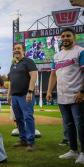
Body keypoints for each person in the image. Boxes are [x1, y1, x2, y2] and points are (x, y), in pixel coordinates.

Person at [46, 27, 84, 164]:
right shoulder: (57, 56)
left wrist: (82, 91)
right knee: (69, 124)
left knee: (80, 124)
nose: (65, 38)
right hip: (62, 95)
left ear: (74, 37)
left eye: (68, 36)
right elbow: (53, 74)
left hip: (77, 95)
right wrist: (49, 91)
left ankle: (83, 153)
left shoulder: (80, 52)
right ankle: (73, 151)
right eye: (62, 36)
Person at [7, 44, 38, 152]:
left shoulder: (28, 61)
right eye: (15, 49)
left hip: (25, 94)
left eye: (18, 49)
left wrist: (30, 91)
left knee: (28, 117)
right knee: (19, 119)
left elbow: (34, 76)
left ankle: (31, 142)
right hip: (15, 95)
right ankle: (23, 140)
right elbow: (10, 80)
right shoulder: (13, 64)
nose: (16, 50)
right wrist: (9, 94)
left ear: (24, 51)